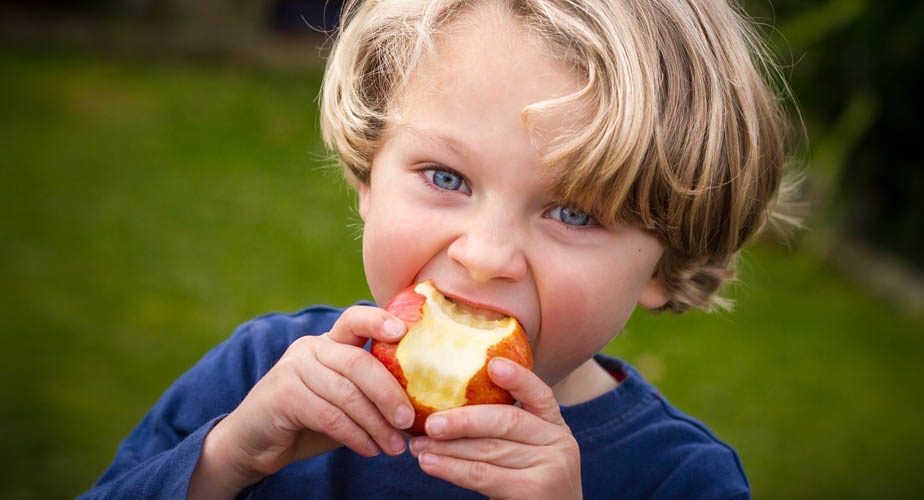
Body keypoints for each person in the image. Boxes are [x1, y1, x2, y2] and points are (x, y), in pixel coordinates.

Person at [81, 0, 790, 498]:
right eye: (446, 177)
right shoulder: (257, 379)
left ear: (668, 263)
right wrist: (225, 461)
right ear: (367, 172)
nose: (484, 255)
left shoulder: (677, 479)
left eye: (573, 212)